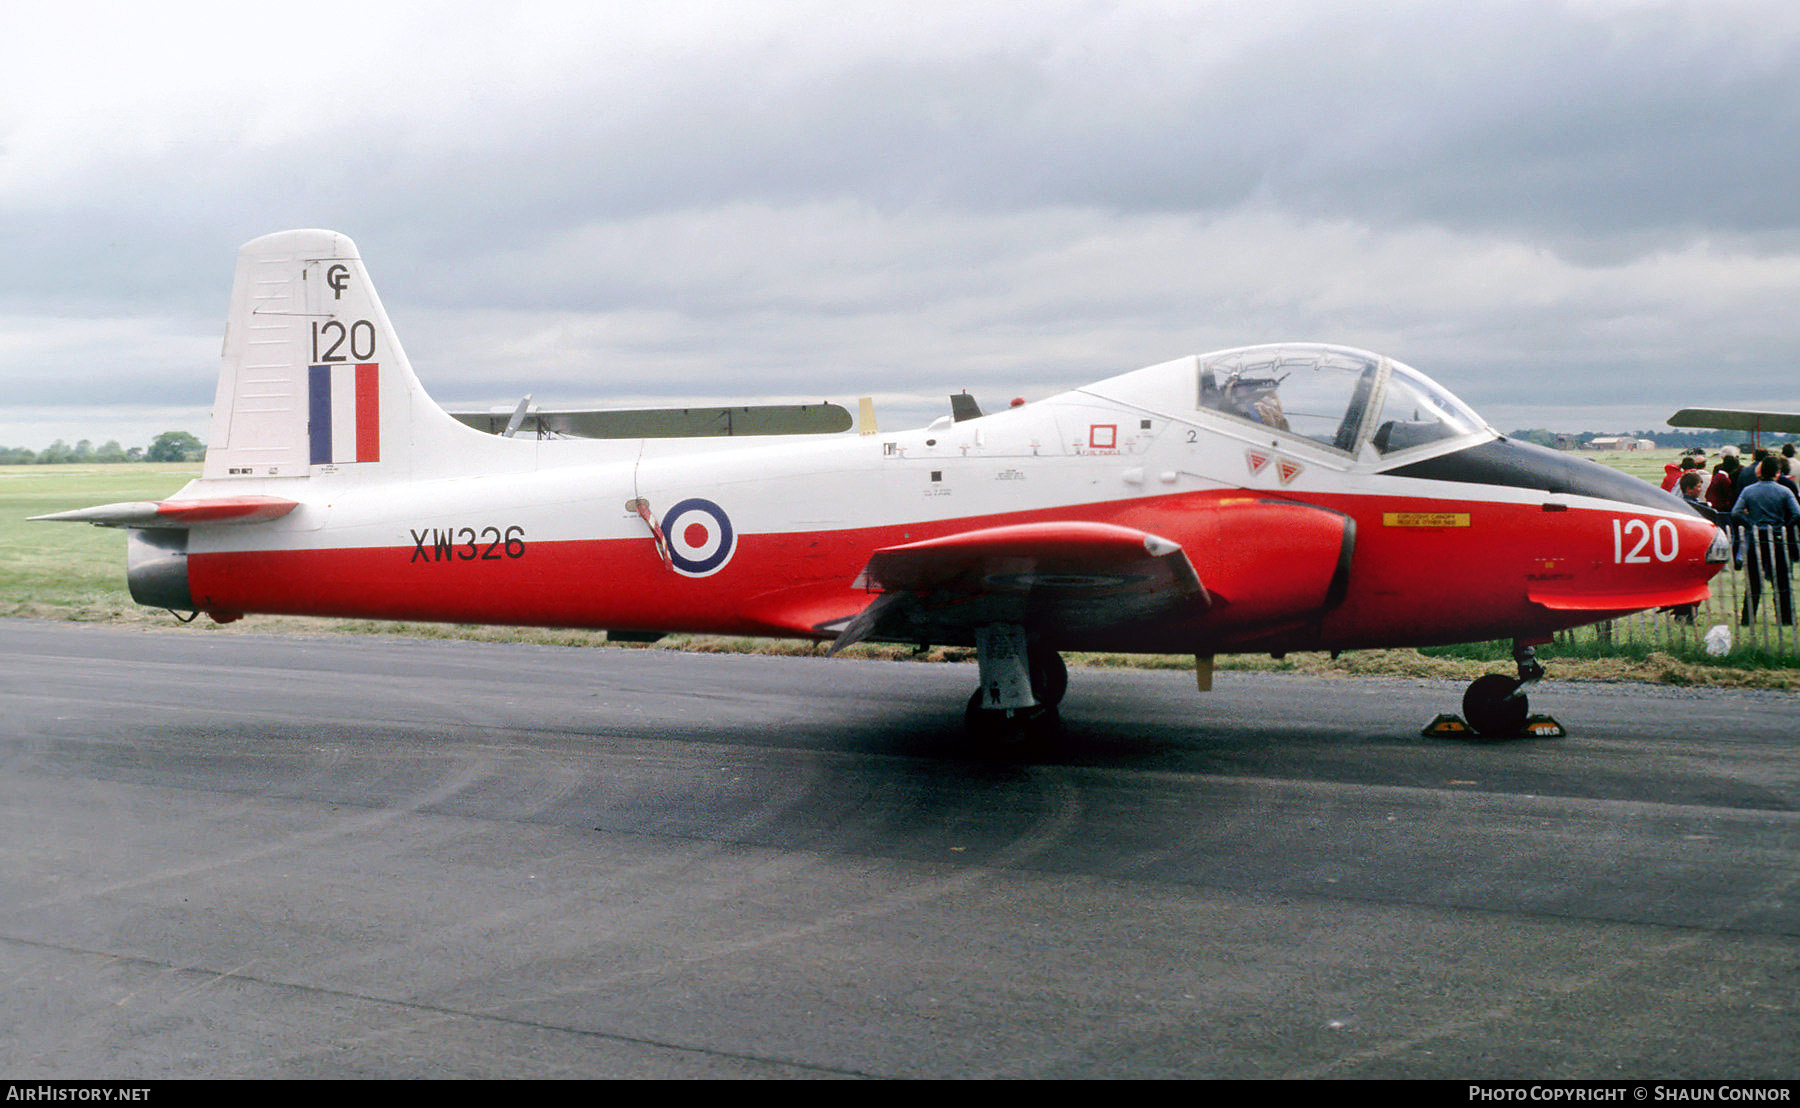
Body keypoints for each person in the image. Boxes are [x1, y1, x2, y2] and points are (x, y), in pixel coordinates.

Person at [1730, 455, 1800, 625]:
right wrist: (1784, 525)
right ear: (1777, 473)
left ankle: (1748, 618)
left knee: (1753, 581)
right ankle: (1786, 618)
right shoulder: (1784, 491)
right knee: (1781, 580)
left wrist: (1750, 524)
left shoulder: (1749, 490)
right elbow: (1797, 513)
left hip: (1756, 538)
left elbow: (1736, 512)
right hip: (1777, 538)